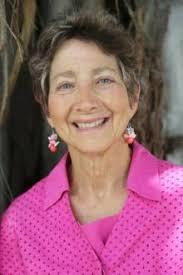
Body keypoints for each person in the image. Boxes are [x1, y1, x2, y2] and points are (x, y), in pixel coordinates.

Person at [0, 10, 183, 275]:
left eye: (103, 80)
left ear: (133, 97)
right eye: (65, 85)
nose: (86, 102)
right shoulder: (20, 225)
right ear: (48, 111)